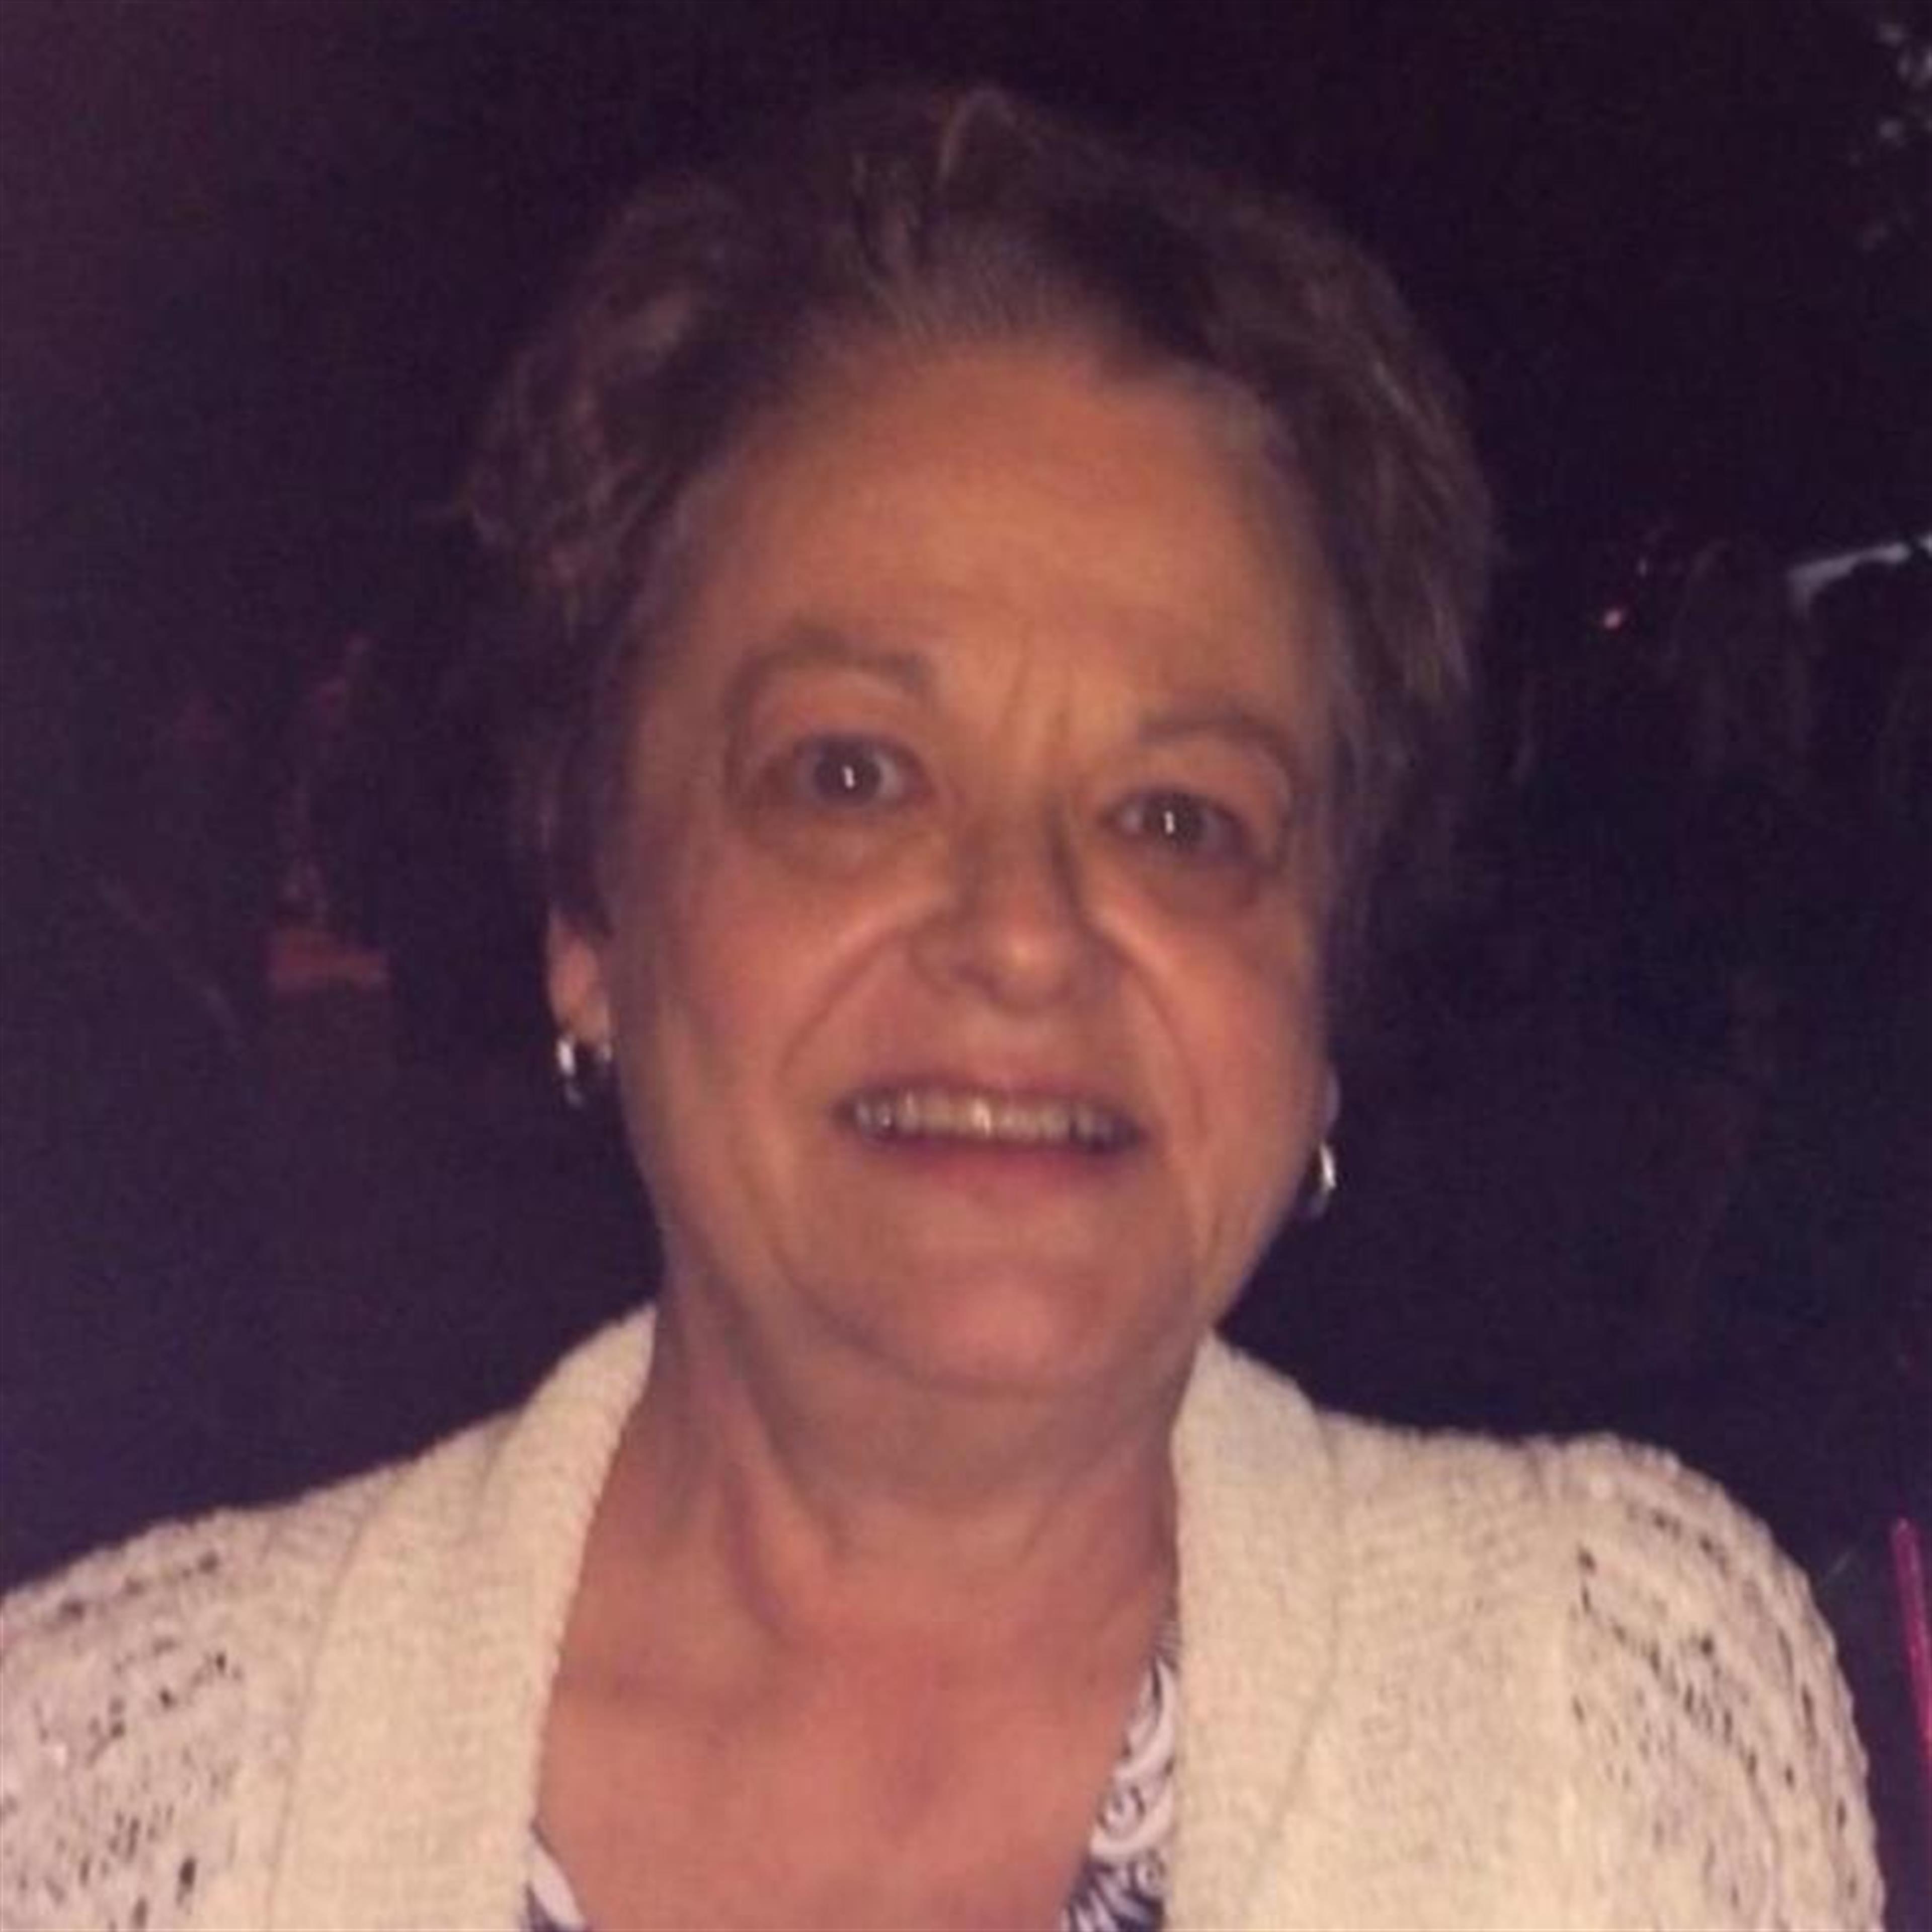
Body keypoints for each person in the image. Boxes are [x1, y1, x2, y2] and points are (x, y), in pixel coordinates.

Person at [0, 86, 1882, 1931]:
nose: (1026, 934)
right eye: (851, 776)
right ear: (592, 909)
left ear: (1322, 986)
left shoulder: (1607, 1720)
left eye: (1179, 819)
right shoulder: (106, 1801)